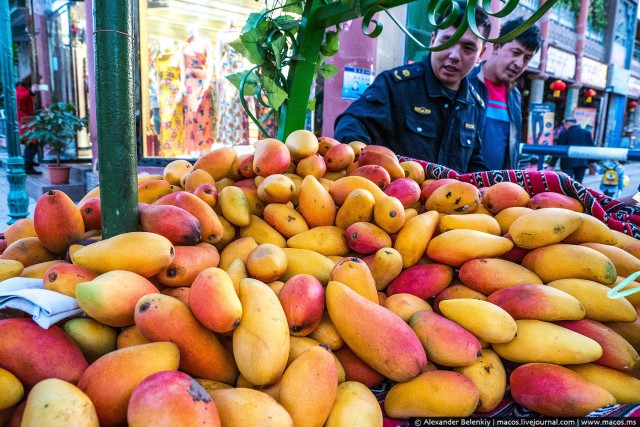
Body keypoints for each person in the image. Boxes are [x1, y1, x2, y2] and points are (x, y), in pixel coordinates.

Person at [333, 4, 492, 173]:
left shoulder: (475, 103)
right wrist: (369, 168)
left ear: (481, 55)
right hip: (395, 197)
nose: (454, 55)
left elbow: (472, 159)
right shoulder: (396, 86)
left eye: (468, 48)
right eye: (447, 42)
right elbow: (351, 125)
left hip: (449, 198)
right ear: (432, 41)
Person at [469, 17, 542, 170]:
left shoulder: (514, 96)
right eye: (515, 52)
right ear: (496, 47)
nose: (519, 63)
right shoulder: (467, 83)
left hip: (499, 189)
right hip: (462, 186)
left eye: (527, 58)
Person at [16, 75, 42, 175]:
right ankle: (28, 165)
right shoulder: (20, 89)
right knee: (31, 142)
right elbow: (21, 98)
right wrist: (31, 92)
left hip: (28, 119)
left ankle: (29, 162)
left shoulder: (25, 89)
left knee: (33, 142)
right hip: (25, 120)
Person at [555, 117, 594, 183]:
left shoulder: (564, 133)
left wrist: (552, 164)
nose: (564, 126)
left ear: (567, 124)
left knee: (567, 184)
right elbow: (591, 147)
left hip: (567, 163)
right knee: (578, 185)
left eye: (564, 125)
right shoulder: (586, 133)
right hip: (582, 162)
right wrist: (591, 161)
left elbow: (558, 150)